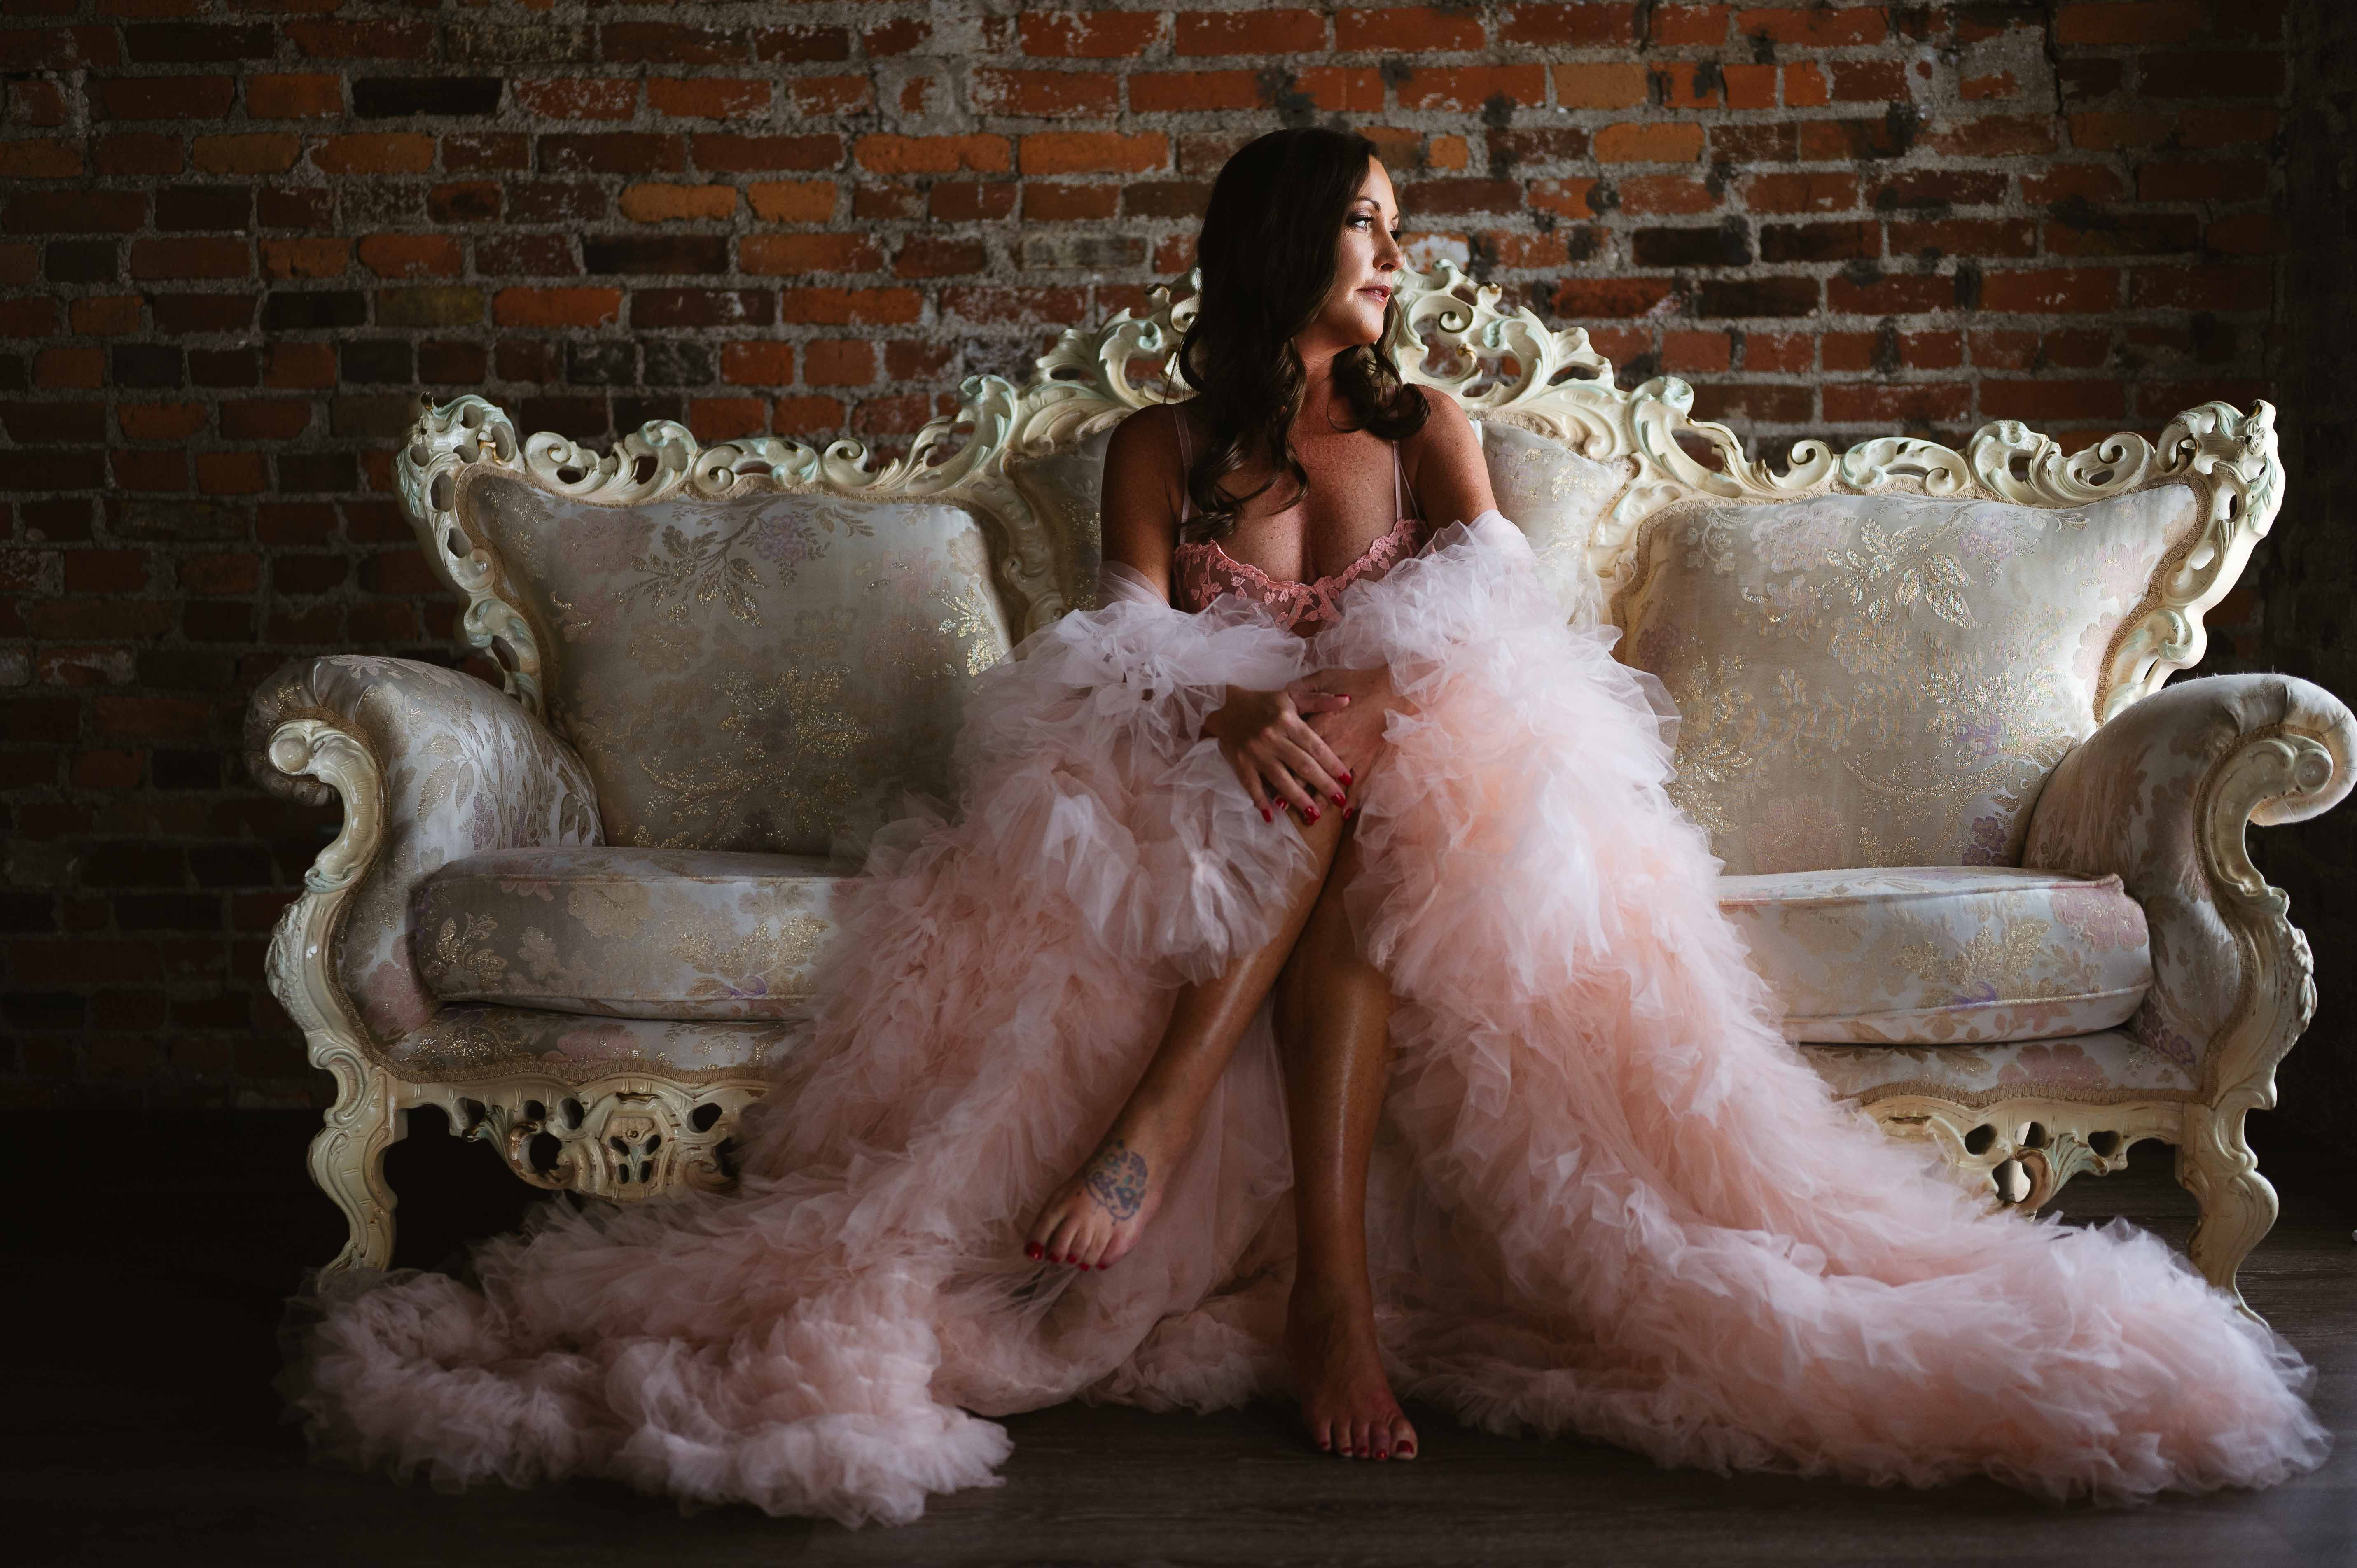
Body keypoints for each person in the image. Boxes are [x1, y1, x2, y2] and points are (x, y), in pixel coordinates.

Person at [288, 128, 2328, 1527]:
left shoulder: (1425, 428)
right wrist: (1242, 711)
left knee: (1400, 742)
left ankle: (1210, 1155)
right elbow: (1118, 647)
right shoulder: (1159, 446)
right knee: (1298, 785)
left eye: (1392, 225)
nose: (1394, 253)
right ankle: (1298, 1253)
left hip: (1436, 788)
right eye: (1364, 223)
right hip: (1205, 787)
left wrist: (1332, 698)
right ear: (1284, 246)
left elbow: (1504, 619)